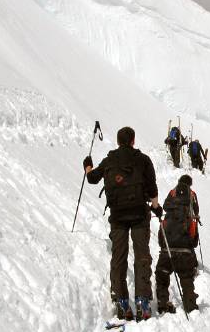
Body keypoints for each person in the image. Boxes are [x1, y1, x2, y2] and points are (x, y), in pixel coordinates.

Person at [85, 126, 163, 321]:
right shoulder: (143, 160)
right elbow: (152, 188)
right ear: (133, 141)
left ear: (119, 141)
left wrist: (87, 165)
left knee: (119, 257)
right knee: (141, 255)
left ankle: (121, 301)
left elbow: (92, 178)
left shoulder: (110, 159)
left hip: (118, 216)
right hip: (139, 215)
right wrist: (156, 207)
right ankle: (142, 301)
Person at [155, 174, 200, 314]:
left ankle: (162, 303)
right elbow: (193, 241)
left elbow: (161, 236)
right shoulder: (191, 197)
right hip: (185, 252)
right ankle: (190, 305)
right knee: (186, 276)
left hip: (167, 251)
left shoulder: (168, 208)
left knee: (162, 275)